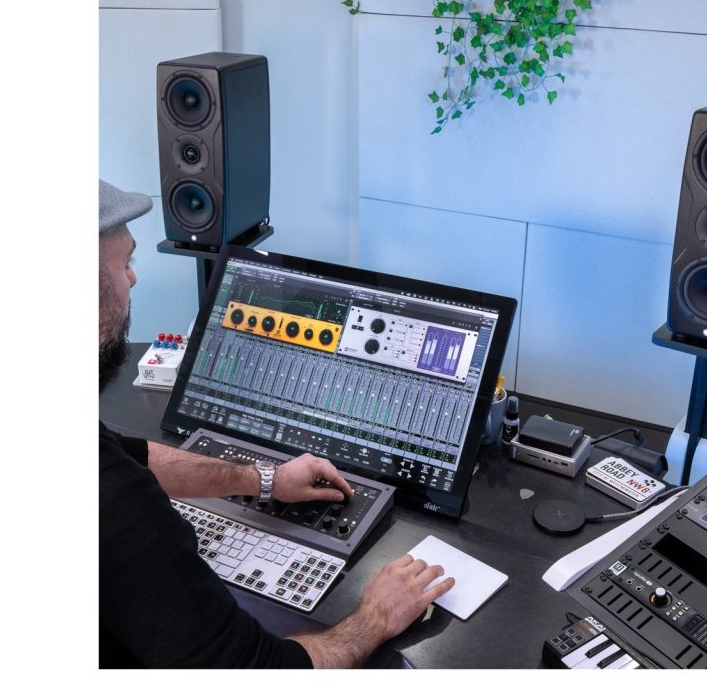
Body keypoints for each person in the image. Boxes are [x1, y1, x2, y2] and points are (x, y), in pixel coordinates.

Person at [98, 179, 454, 667]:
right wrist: (373, 619)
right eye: (124, 263)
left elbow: (127, 452)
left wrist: (265, 479)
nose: (133, 279)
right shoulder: (118, 507)